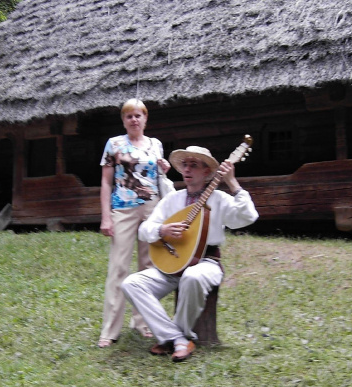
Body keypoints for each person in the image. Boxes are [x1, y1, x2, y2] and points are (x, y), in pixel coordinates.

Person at [121, 145, 259, 361]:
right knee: (131, 283)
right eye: (185, 165)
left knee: (192, 276)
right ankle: (178, 338)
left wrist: (232, 182)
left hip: (206, 262)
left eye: (193, 165)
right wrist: (162, 230)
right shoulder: (172, 200)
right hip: (172, 263)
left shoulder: (219, 199)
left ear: (207, 172)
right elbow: (143, 230)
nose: (187, 169)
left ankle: (176, 338)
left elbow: (248, 217)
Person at [98, 99, 172, 348]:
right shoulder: (114, 144)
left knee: (148, 266)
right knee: (118, 267)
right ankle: (110, 329)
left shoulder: (156, 144)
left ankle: (142, 322)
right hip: (123, 209)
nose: (134, 120)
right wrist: (106, 216)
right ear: (123, 120)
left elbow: (159, 177)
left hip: (152, 209)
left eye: (138, 115)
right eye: (129, 116)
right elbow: (107, 182)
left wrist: (165, 167)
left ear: (145, 118)